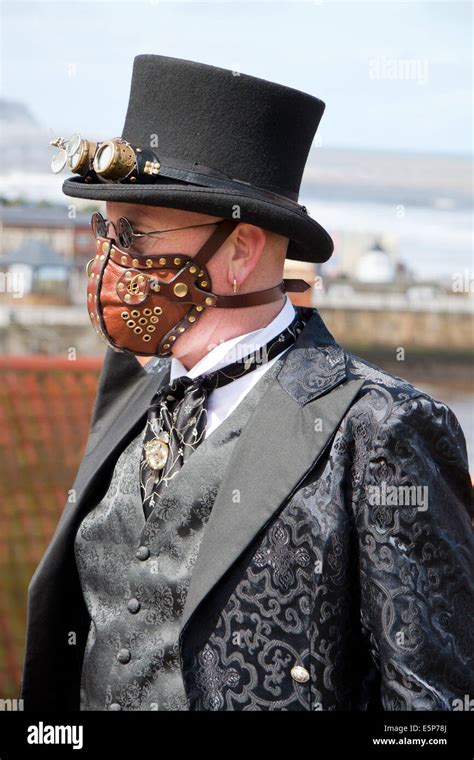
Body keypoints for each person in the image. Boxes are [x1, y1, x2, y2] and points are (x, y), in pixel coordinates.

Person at [20, 54, 473, 712]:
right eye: (105, 231)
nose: (111, 262)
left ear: (239, 251)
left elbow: (435, 704)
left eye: (137, 234)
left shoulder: (383, 427)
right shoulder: (131, 393)